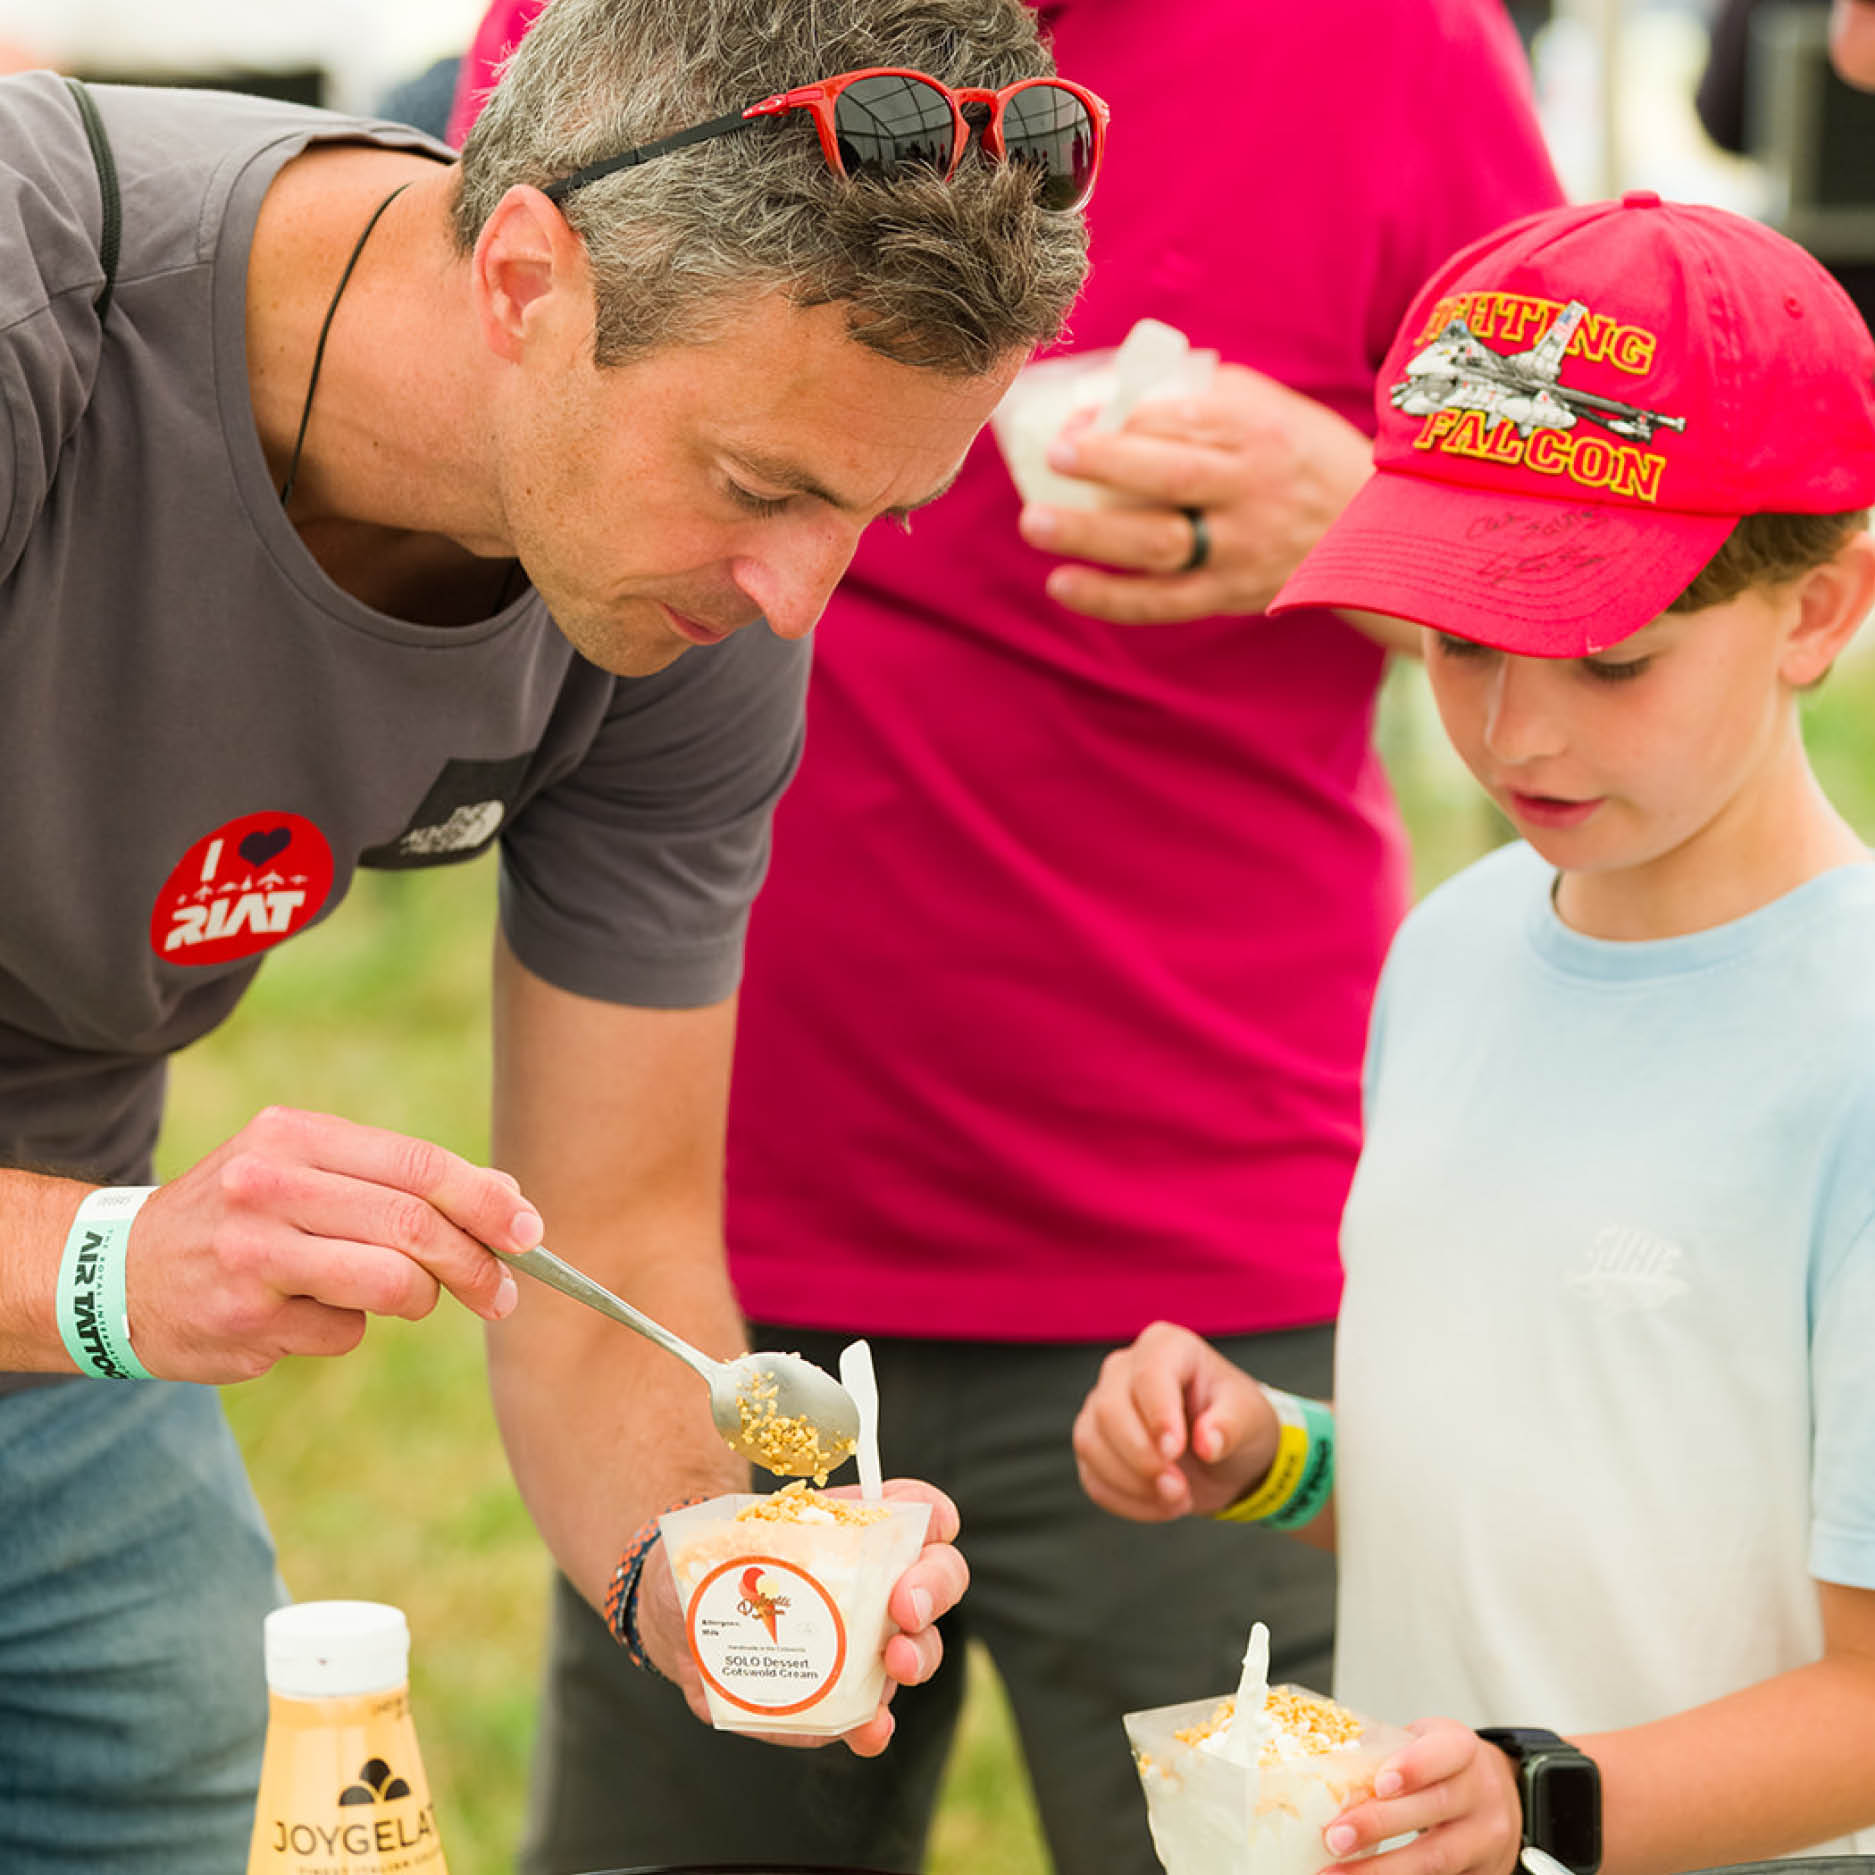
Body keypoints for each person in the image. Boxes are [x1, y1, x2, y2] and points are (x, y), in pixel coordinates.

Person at [450, 4, 1563, 1872]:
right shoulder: (646, 34)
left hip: (1204, 1297)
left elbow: (1608, 593)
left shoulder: (1395, 48)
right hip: (697, 1261)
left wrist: (1350, 516)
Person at [0, 2, 1094, 1867]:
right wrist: (110, 1274)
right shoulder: (41, 319)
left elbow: (624, 1238)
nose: (793, 595)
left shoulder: (695, 613)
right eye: (763, 487)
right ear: (524, 274)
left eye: (873, 517)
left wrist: (699, 1560)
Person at [1075, 191, 1875, 1875]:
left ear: (1820, 609)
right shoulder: (1449, 950)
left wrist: (1546, 1801)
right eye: (1455, 643)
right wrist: (1274, 1457)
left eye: (1607, 657)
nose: (1515, 731)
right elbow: (1566, 1467)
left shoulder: (1854, 1053)